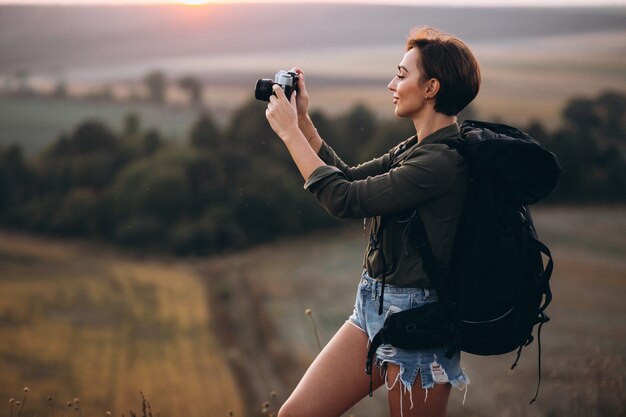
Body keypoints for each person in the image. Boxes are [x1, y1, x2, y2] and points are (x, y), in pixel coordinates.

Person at [265, 26, 481, 417]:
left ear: (431, 87)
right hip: (371, 309)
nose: (391, 84)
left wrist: (288, 135)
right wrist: (303, 124)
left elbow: (343, 200)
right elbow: (348, 178)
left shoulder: (441, 163)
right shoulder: (416, 149)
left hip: (420, 323)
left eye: (401, 74)